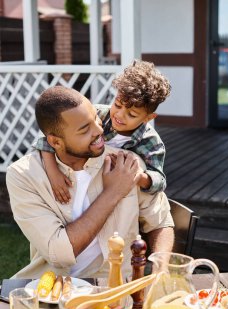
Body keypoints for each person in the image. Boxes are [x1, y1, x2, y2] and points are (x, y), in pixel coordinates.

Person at [6, 86, 174, 279]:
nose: (100, 130)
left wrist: (161, 270)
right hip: (51, 291)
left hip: (116, 289)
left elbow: (160, 221)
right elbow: (60, 254)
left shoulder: (126, 163)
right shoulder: (23, 176)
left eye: (96, 118)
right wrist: (113, 192)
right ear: (56, 142)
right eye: (85, 129)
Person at [34, 60, 171, 204]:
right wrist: (53, 172)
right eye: (117, 105)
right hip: (81, 182)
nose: (119, 115)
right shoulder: (96, 114)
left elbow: (159, 181)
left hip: (120, 197)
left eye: (132, 115)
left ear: (148, 118)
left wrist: (139, 176)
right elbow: (48, 139)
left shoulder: (151, 142)